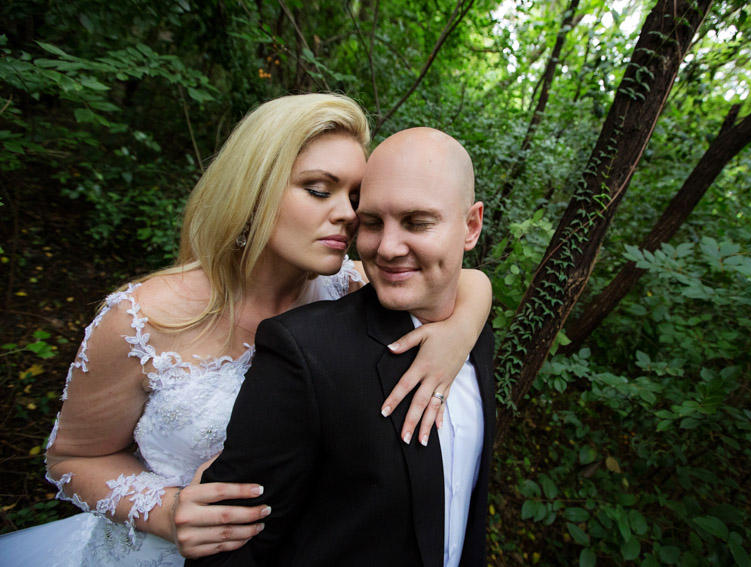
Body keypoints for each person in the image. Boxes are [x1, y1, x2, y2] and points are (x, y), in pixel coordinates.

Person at [0, 96, 492, 566]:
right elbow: (70, 458)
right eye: (320, 189)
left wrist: (459, 333)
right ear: (255, 189)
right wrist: (166, 511)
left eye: (355, 198)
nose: (347, 214)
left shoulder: (352, 288)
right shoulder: (142, 320)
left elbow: (460, 275)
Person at [189, 127, 494, 567]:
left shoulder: (475, 330)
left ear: (471, 226)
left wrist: (466, 325)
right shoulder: (303, 353)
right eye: (371, 222)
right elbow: (227, 550)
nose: (387, 248)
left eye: (417, 222)